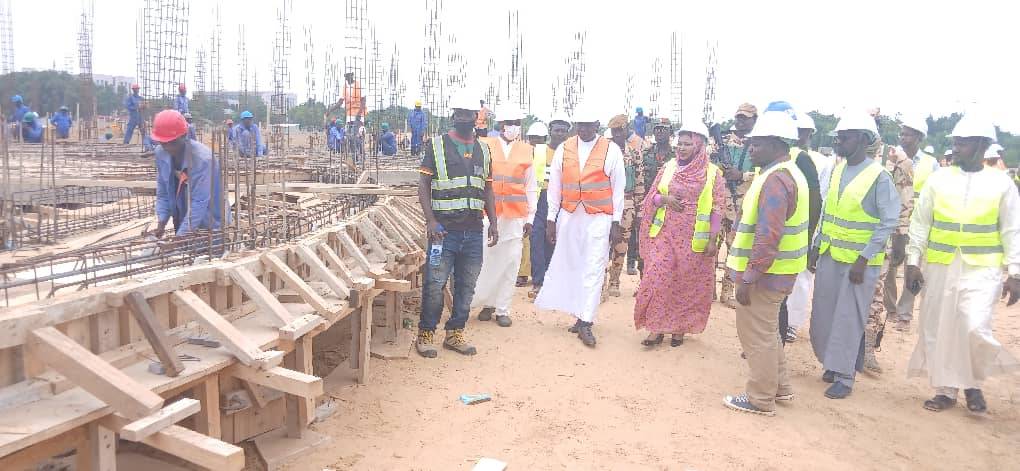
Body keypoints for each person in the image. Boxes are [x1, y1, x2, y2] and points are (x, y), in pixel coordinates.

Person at [905, 114, 1020, 414]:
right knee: (939, 328)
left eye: (963, 142)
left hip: (982, 270)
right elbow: (920, 223)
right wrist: (912, 261)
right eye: (954, 142)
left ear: (982, 145)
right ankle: (946, 390)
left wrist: (1016, 272)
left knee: (974, 326)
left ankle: (972, 382)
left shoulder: (1001, 184)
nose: (956, 147)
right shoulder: (939, 179)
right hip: (941, 266)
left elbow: (1012, 230)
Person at [722, 109, 809, 417]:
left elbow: (767, 235)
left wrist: (749, 277)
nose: (751, 149)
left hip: (765, 275)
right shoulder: (788, 172)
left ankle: (760, 397)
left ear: (776, 144)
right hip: (780, 272)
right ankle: (780, 387)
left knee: (756, 334)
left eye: (757, 144)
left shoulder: (775, 180)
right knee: (768, 330)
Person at [808, 111, 899, 399]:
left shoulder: (879, 177)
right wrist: (817, 243)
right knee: (824, 314)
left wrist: (864, 258)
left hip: (859, 264)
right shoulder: (838, 170)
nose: (838, 141)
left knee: (849, 317)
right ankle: (832, 364)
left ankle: (845, 376)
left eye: (844, 137)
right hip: (830, 254)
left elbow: (888, 221)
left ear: (861, 139)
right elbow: (827, 211)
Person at [415, 90, 499, 358]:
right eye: (459, 114)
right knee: (434, 284)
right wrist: (430, 220)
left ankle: (455, 333)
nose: (464, 118)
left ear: (476, 117)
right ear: (453, 117)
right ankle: (426, 333)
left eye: (468, 114)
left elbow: (487, 190)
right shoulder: (437, 145)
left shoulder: (484, 150)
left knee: (466, 285)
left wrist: (493, 223)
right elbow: (423, 184)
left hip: (473, 230)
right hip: (444, 232)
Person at [536, 102, 626, 347]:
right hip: (570, 216)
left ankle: (586, 320)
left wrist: (616, 221)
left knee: (594, 266)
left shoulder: (611, 150)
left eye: (589, 125)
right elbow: (554, 188)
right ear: (575, 126)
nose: (584, 129)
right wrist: (551, 220)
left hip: (599, 217)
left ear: (597, 126)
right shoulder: (565, 149)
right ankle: (578, 314)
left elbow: (619, 188)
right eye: (580, 125)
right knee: (573, 265)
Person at [635, 120, 728, 347]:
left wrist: (713, 238)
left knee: (685, 284)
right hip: (664, 234)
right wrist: (664, 199)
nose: (682, 148)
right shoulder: (668, 167)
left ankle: (678, 329)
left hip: (694, 239)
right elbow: (652, 198)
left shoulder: (713, 173)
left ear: (699, 146)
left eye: (688, 144)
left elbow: (717, 208)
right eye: (680, 144)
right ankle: (655, 327)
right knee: (657, 277)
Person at [473, 106, 536, 327]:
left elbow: (530, 186)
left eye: (518, 122)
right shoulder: (485, 146)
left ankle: (502, 308)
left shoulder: (526, 150)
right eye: (511, 122)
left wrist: (530, 218)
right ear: (501, 125)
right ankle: (487, 304)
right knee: (488, 260)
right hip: (489, 215)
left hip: (516, 216)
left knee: (511, 261)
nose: (514, 127)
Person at [884, 117, 939, 333]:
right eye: (902, 134)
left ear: (918, 137)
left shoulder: (930, 163)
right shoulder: (891, 157)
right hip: (893, 219)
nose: (903, 138)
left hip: (917, 222)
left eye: (907, 134)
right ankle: (890, 308)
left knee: (911, 266)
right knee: (888, 265)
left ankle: (904, 313)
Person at [779, 110, 829, 344]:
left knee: (801, 276)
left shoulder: (820, 161)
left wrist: (812, 235)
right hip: (785, 225)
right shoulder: (784, 155)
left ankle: (792, 323)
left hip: (809, 226)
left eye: (800, 131)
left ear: (809, 133)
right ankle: (780, 321)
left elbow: (821, 197)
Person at [151, 110, 225, 238]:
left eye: (173, 142)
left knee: (210, 255)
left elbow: (199, 202)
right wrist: (161, 223)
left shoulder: (203, 160)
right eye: (163, 143)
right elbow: (163, 192)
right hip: (182, 219)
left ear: (184, 135)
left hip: (209, 224)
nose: (168, 148)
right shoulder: (160, 153)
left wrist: (179, 238)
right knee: (181, 255)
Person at [719, 103, 759, 309]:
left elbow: (764, 172)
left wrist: (742, 175)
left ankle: (727, 292)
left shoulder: (759, 143)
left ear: (754, 119)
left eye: (745, 118)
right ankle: (707, 289)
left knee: (734, 249)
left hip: (742, 202)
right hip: (719, 200)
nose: (741, 121)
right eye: (739, 117)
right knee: (709, 248)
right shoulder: (723, 141)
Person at [529, 115, 569, 299]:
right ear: (550, 132)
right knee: (537, 238)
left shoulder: (570, 152)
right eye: (557, 130)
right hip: (540, 199)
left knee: (556, 240)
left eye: (563, 130)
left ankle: (554, 281)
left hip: (562, 200)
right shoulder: (538, 151)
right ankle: (538, 282)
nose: (560, 134)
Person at [632, 118, 674, 276]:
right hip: (648, 206)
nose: (660, 132)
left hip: (669, 208)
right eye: (657, 129)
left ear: (670, 132)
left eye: (664, 129)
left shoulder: (677, 156)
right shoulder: (645, 154)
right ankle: (644, 281)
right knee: (643, 243)